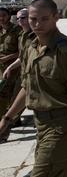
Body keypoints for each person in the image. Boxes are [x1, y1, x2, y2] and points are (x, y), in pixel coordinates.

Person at [0, 0, 67, 176]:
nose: (37, 24)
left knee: (41, 172)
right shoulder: (30, 46)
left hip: (61, 125)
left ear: (56, 17)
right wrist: (8, 118)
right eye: (33, 19)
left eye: (44, 19)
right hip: (40, 123)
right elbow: (27, 87)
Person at [0, 8, 31, 142]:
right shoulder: (22, 35)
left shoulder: (22, 33)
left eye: (23, 18)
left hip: (21, 73)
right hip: (7, 70)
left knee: (12, 102)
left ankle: (5, 128)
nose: (20, 21)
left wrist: (8, 61)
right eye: (18, 19)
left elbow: (21, 53)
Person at [0, 7, 21, 123]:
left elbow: (22, 52)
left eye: (3, 15)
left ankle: (8, 120)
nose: (1, 18)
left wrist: (8, 58)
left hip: (14, 67)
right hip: (1, 68)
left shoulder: (17, 31)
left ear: (9, 16)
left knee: (10, 93)